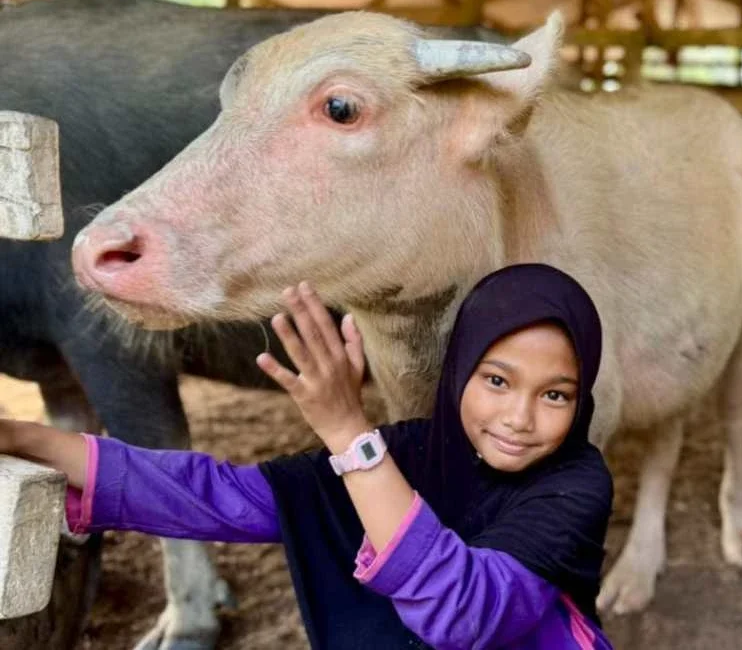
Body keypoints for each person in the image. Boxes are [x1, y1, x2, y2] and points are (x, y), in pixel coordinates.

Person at [0, 263, 614, 649]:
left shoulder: (575, 485)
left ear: (580, 396)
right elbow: (224, 498)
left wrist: (350, 434)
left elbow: (464, 614)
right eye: (497, 381)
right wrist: (27, 438)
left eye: (555, 394)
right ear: (458, 373)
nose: (519, 418)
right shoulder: (413, 451)